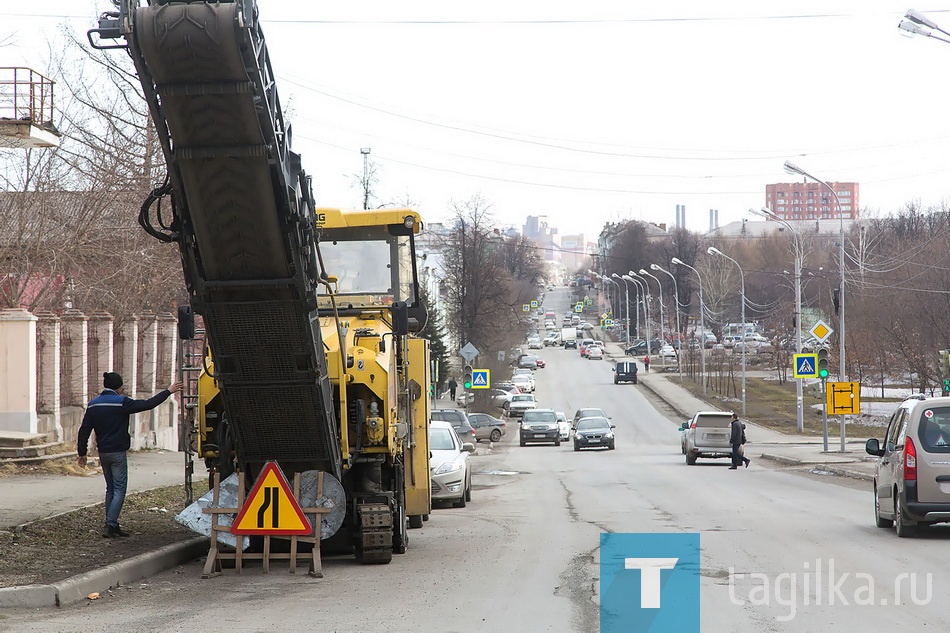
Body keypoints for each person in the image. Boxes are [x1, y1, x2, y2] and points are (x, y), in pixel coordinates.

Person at [77, 372, 183, 538]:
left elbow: (84, 430)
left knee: (110, 489)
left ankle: (113, 523)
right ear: (118, 387)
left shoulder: (93, 405)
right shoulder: (122, 402)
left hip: (103, 452)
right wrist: (168, 391)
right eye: (122, 385)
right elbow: (148, 404)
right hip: (118, 452)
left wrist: (82, 453)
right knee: (120, 489)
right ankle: (110, 524)